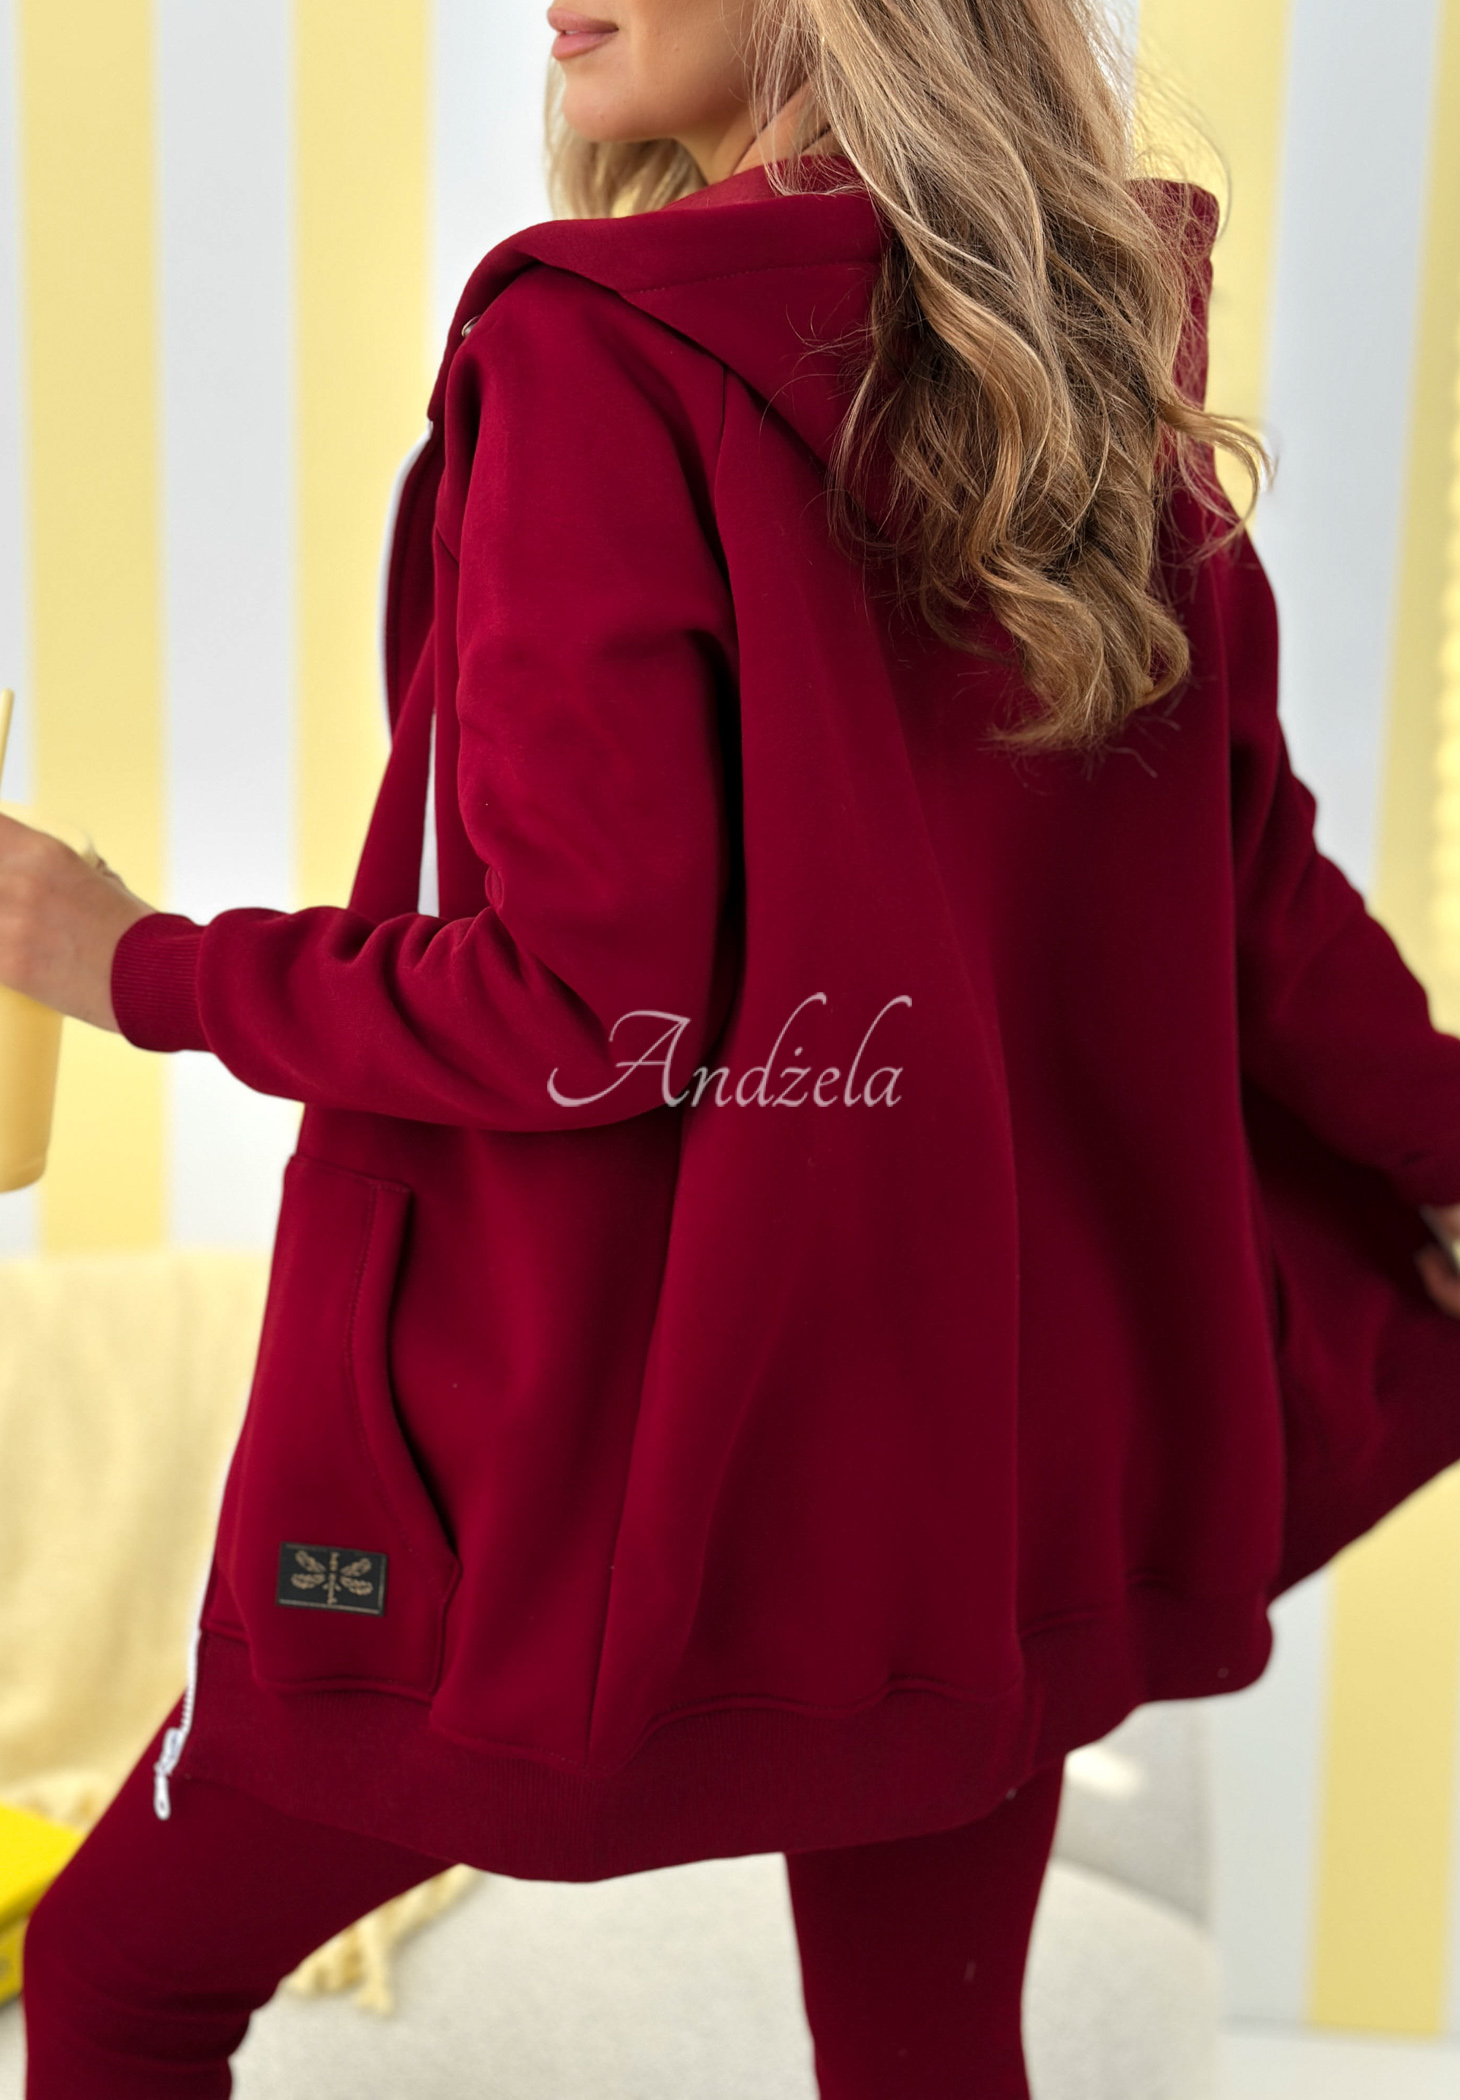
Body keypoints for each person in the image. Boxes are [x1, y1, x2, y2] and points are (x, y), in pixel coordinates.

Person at [7, 1, 1460, 2094]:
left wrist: (129, 959)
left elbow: (586, 1008)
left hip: (616, 1456)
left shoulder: (593, 350)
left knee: (122, 1972)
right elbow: (1266, 910)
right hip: (984, 1461)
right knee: (924, 2062)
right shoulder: (1086, 356)